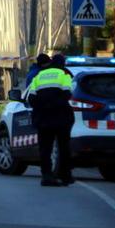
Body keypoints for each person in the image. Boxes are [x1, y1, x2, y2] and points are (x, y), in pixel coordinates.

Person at [28, 53, 75, 187]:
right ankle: (65, 176)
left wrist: (43, 106)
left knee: (45, 149)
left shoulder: (39, 76)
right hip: (60, 117)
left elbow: (31, 98)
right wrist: (54, 105)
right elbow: (67, 94)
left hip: (42, 118)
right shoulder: (64, 74)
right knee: (63, 147)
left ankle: (46, 176)